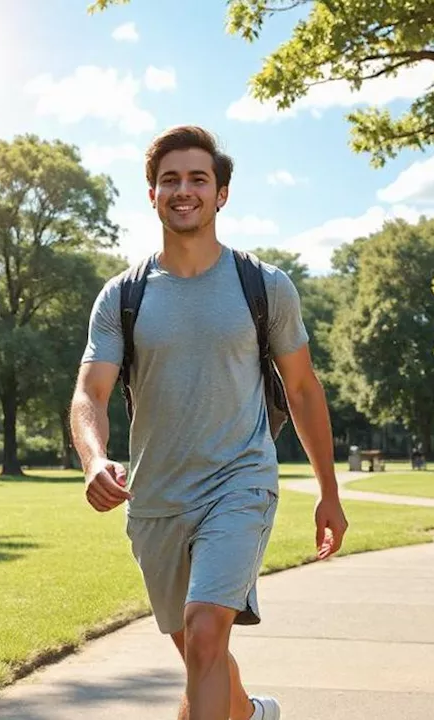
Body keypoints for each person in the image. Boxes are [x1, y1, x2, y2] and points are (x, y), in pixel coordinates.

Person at [70, 125, 348, 720]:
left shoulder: (264, 286)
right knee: (201, 653)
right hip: (155, 498)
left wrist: (329, 491)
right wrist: (94, 458)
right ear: (152, 194)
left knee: (202, 635)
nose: (184, 189)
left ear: (221, 194)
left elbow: (301, 388)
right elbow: (90, 391)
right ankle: (249, 714)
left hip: (238, 483)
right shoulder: (124, 295)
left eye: (198, 178)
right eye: (170, 179)